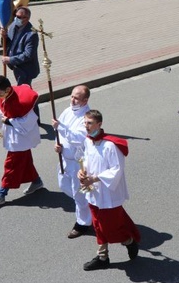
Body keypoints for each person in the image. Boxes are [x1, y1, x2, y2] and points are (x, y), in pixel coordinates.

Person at [78, 110, 141, 270]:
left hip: (108, 194)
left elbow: (116, 170)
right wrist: (82, 171)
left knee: (110, 228)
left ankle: (129, 241)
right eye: (85, 122)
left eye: (90, 123)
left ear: (99, 124)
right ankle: (102, 257)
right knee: (97, 225)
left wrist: (94, 178)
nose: (86, 126)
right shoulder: (88, 141)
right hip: (93, 191)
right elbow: (85, 159)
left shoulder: (110, 146)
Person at [0, 75, 44, 207]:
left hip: (21, 139)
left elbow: (28, 121)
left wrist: (8, 121)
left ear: (7, 89)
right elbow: (1, 111)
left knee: (11, 166)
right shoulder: (4, 96)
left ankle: (1, 193)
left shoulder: (25, 102)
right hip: (13, 137)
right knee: (26, 162)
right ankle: (36, 181)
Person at [52, 85, 92, 239]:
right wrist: (58, 145)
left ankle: (82, 223)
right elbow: (59, 133)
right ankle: (90, 208)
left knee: (79, 194)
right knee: (64, 186)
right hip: (64, 159)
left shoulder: (87, 117)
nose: (73, 100)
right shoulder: (67, 111)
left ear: (85, 100)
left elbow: (77, 138)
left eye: (76, 98)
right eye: (72, 96)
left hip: (78, 162)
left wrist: (60, 129)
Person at [2, 6, 40, 86]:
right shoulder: (13, 26)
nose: (21, 19)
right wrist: (4, 36)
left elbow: (28, 55)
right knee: (24, 91)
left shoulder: (32, 34)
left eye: (24, 17)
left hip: (25, 69)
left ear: (28, 18)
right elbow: (6, 43)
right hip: (16, 66)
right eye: (18, 17)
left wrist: (10, 59)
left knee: (24, 92)